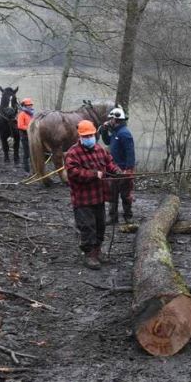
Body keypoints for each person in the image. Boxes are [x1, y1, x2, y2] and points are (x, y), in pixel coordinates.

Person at [64, 120, 122, 270]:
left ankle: (97, 250)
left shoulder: (99, 149)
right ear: (80, 136)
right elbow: (73, 173)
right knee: (87, 227)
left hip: (99, 196)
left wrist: (116, 170)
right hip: (83, 199)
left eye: (91, 135)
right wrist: (94, 174)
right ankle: (89, 254)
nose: (89, 137)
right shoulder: (73, 153)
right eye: (86, 136)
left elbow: (109, 162)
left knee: (100, 225)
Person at [99, 106, 136, 224]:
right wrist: (104, 130)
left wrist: (129, 169)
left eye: (111, 119)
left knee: (125, 195)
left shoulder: (125, 133)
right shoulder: (116, 131)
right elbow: (107, 141)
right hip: (113, 169)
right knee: (112, 194)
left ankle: (128, 217)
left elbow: (130, 153)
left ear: (116, 120)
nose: (109, 121)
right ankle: (113, 217)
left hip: (123, 169)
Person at [16, 98, 34, 173]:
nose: (30, 106)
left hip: (32, 136)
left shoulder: (31, 113)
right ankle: (26, 171)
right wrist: (30, 128)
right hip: (25, 136)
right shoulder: (22, 114)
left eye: (31, 104)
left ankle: (34, 169)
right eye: (28, 105)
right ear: (24, 105)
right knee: (26, 154)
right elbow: (20, 126)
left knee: (32, 153)